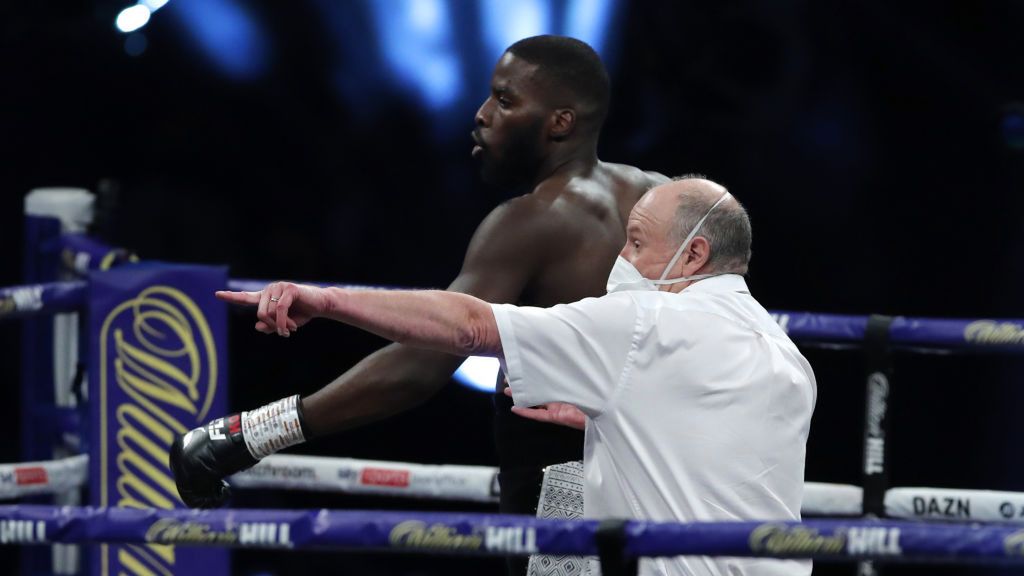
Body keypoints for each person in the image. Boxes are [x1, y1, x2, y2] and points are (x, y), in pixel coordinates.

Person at [170, 34, 667, 575]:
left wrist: (248, 436)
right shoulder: (664, 198)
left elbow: (420, 365)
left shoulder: (531, 220)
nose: (480, 116)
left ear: (561, 123)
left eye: (504, 100)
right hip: (672, 481)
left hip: (571, 487)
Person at [202, 176, 816, 576]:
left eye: (634, 243)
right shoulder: (786, 356)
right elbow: (716, 448)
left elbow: (469, 326)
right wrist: (618, 416)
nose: (621, 260)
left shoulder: (645, 321)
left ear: (695, 256)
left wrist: (327, 301)